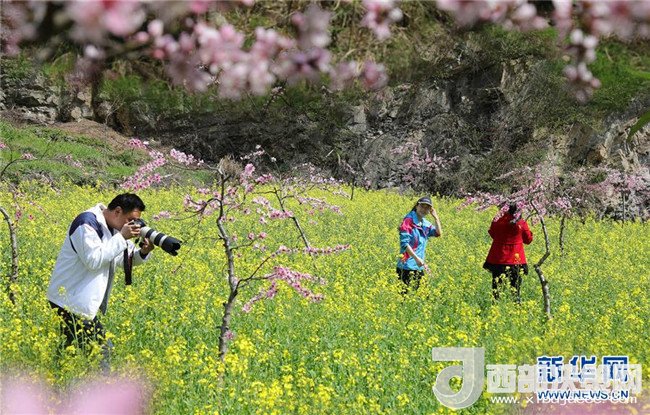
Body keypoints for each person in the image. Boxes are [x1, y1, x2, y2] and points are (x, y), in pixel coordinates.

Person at [47, 193, 155, 372]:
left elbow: (122, 259)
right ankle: (102, 387)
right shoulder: (86, 223)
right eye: (131, 220)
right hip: (68, 301)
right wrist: (122, 237)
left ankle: (55, 382)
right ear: (117, 211)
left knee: (68, 352)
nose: (134, 225)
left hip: (77, 301)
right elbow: (94, 260)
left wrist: (143, 252)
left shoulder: (114, 227)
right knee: (103, 351)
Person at [483, 203, 533, 303]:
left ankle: (495, 308)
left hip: (498, 259)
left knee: (496, 290)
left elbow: (492, 233)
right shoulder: (521, 222)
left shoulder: (497, 219)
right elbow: (528, 240)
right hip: (516, 261)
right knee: (515, 291)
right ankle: (516, 308)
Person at [396, 196, 442, 293]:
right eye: (422, 206)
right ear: (417, 206)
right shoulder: (408, 221)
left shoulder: (425, 223)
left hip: (418, 265)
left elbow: (438, 233)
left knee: (423, 295)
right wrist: (417, 259)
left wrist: (436, 218)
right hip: (406, 266)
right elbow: (404, 243)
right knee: (404, 297)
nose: (424, 210)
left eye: (427, 208)